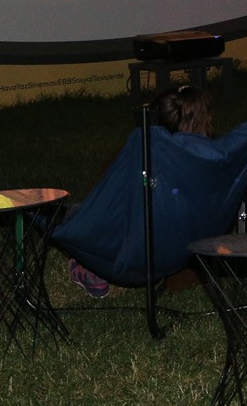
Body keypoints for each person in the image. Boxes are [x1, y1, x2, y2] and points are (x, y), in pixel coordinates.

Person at [67, 84, 214, 298]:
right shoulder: (212, 160)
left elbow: (99, 201)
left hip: (137, 258)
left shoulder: (138, 155)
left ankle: (89, 266)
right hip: (184, 254)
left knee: (75, 212)